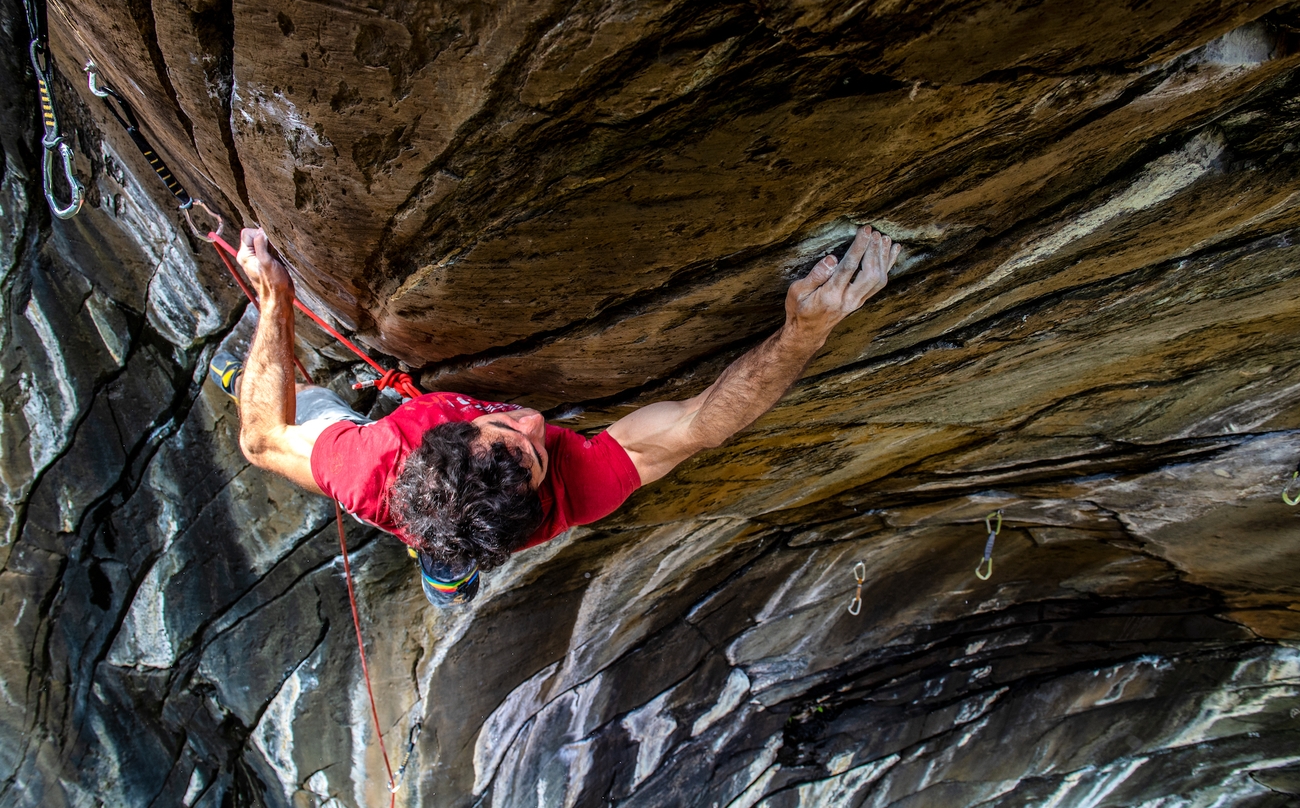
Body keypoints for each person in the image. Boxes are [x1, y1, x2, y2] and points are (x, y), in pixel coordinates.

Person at [212, 225, 900, 606]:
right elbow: (700, 425)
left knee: (293, 406)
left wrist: (275, 300)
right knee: (432, 539)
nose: (536, 425)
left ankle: (443, 561)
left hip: (406, 481)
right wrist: (805, 333)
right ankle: (446, 571)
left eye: (513, 434)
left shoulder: (380, 465)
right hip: (419, 488)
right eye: (526, 446)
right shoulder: (560, 492)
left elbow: (262, 437)